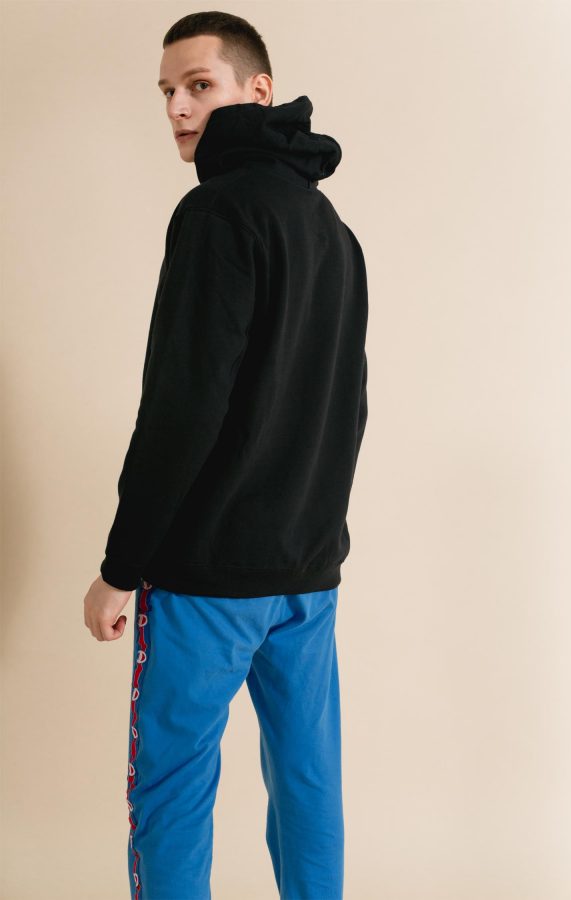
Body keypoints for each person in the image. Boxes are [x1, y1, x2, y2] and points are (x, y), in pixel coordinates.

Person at [83, 10, 368, 900]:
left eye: (198, 85)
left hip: (208, 576)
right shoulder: (331, 228)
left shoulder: (215, 212)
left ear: (259, 90)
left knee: (171, 791)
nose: (177, 106)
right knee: (309, 783)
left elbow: (182, 408)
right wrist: (313, 533)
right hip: (307, 574)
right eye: (167, 91)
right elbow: (348, 405)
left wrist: (120, 568)